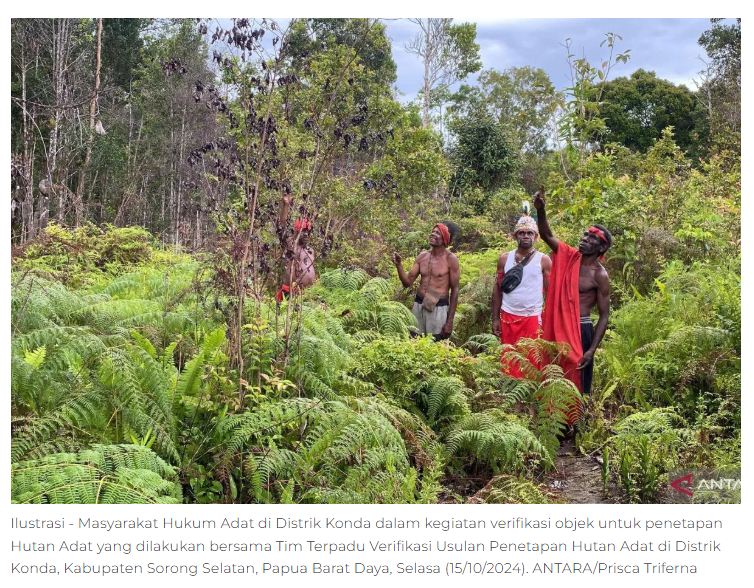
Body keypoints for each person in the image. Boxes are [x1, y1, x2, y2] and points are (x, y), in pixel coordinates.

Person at [533, 188, 611, 408]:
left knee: (576, 380)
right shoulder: (569, 256)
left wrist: (591, 350)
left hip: (581, 330)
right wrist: (541, 211)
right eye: (585, 235)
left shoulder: (600, 275)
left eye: (592, 238)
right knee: (553, 374)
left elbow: (604, 315)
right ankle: (551, 419)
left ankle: (575, 424)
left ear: (602, 247)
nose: (585, 239)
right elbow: (547, 235)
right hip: (557, 326)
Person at [491, 215, 551, 377]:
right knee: (509, 359)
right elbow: (497, 289)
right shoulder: (505, 259)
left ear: (536, 236)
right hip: (508, 316)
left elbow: (550, 293)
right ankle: (510, 390)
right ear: (515, 235)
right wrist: (495, 318)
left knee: (531, 360)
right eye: (522, 233)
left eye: (530, 233)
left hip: (532, 318)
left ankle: (529, 391)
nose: (525, 236)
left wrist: (548, 320)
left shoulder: (543, 260)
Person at [392, 223, 460, 340]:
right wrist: (399, 265)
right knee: (415, 339)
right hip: (419, 304)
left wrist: (449, 321)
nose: (432, 234)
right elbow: (407, 283)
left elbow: (455, 290)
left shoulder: (450, 259)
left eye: (437, 233)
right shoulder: (422, 256)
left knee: (436, 343)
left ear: (444, 239)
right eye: (432, 231)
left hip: (438, 307)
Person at [276, 193, 316, 302]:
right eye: (303, 231)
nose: (306, 234)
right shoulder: (291, 245)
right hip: (291, 292)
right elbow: (282, 227)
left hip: (307, 295)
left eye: (308, 232)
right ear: (297, 232)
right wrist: (286, 205)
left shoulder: (311, 251)